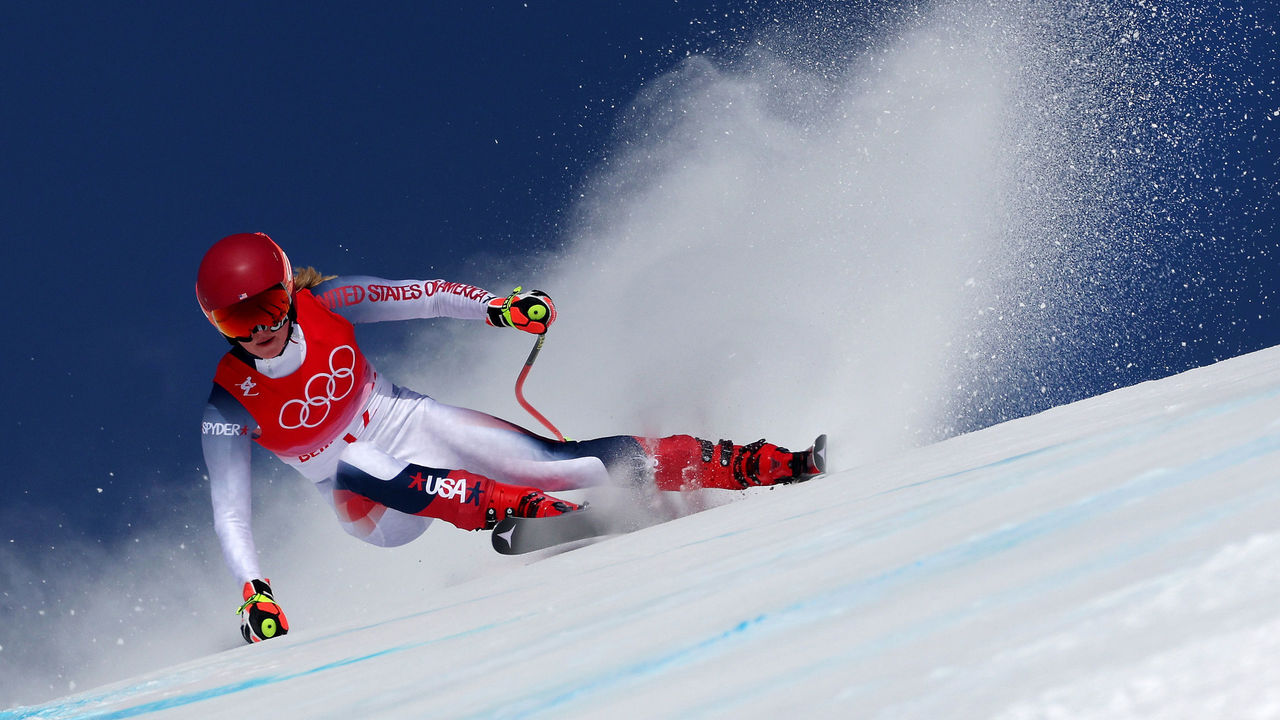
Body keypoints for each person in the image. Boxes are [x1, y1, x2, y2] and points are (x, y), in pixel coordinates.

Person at [197, 232, 824, 643]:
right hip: (373, 507)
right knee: (356, 459)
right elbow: (230, 511)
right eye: (234, 320)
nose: (257, 331)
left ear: (288, 291)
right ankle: (518, 507)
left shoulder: (327, 302)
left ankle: (760, 464)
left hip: (414, 424)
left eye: (266, 307)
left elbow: (423, 296)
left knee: (568, 465)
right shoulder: (229, 401)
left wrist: (500, 308)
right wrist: (255, 593)